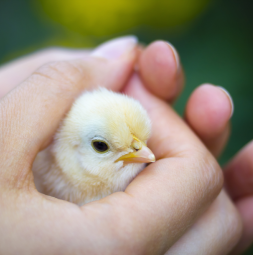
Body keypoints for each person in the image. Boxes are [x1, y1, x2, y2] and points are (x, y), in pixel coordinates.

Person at [0, 36, 251, 254]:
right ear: (70, 148)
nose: (144, 152)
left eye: (143, 141)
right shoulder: (31, 176)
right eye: (101, 146)